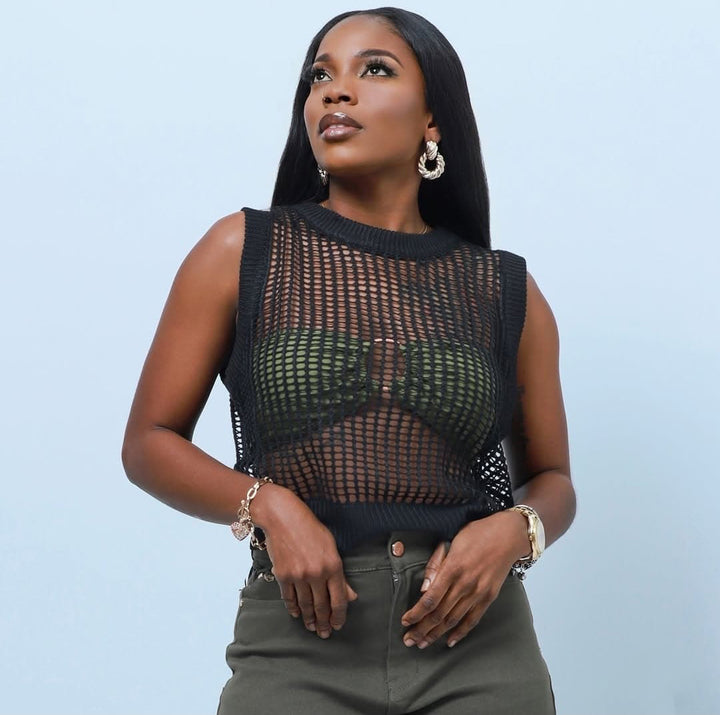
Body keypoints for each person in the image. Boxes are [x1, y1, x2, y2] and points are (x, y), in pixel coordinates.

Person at [121, 6, 576, 714]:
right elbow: (149, 443)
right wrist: (267, 504)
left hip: (478, 644)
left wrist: (517, 530)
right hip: (300, 639)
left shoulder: (503, 288)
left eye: (375, 69)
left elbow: (552, 479)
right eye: (319, 76)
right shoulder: (243, 251)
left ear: (433, 119)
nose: (335, 90)